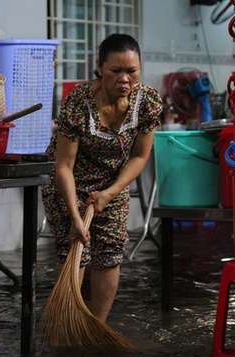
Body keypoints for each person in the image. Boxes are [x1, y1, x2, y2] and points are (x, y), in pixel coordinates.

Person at [41, 33, 163, 323]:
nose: (124, 79)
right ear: (99, 67)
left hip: (113, 183)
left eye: (132, 71)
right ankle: (68, 322)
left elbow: (139, 157)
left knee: (109, 253)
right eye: (115, 71)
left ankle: (96, 327)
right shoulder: (78, 103)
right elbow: (63, 167)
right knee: (76, 248)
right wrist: (75, 216)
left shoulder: (148, 102)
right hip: (69, 183)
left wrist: (111, 192)